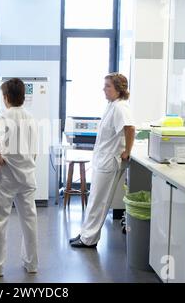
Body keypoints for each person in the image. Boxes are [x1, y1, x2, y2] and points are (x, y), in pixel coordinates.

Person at [70, 73, 135, 248]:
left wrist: (127, 151)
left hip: (109, 161)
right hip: (103, 159)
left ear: (118, 89)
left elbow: (130, 129)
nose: (104, 89)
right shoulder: (112, 105)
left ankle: (89, 239)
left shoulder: (121, 107)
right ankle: (85, 233)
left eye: (108, 86)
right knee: (94, 200)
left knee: (100, 201)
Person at [0, 78, 39, 277]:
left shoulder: (3, 117)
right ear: (23, 97)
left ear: (6, 97)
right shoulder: (31, 118)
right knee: (30, 220)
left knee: (0, 222)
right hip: (27, 177)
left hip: (5, 178)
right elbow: (34, 150)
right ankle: (32, 263)